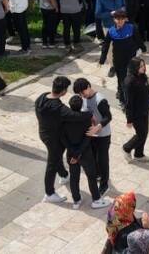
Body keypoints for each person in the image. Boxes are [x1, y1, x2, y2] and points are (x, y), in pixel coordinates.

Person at [36, 75, 100, 203]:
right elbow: (75, 116)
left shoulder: (42, 97)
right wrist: (89, 115)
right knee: (52, 162)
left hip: (43, 133)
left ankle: (64, 175)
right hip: (53, 139)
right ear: (64, 91)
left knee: (56, 156)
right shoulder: (59, 108)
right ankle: (49, 193)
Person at [61, 94, 112, 210]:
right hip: (85, 153)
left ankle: (76, 200)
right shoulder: (86, 118)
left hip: (71, 153)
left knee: (74, 177)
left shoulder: (64, 120)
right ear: (81, 106)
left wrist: (73, 153)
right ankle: (96, 200)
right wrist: (78, 154)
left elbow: (63, 138)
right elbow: (87, 138)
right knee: (91, 176)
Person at [75, 78, 113, 197]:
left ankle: (104, 184)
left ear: (88, 86)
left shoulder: (100, 100)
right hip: (92, 135)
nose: (82, 95)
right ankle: (98, 175)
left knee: (103, 160)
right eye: (79, 94)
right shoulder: (84, 99)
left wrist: (98, 127)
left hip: (103, 135)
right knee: (94, 158)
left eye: (82, 92)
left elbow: (108, 117)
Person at [122, 58, 149, 161]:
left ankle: (139, 154)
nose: (143, 68)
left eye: (144, 65)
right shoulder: (129, 82)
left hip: (144, 109)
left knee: (145, 132)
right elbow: (128, 102)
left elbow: (147, 92)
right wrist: (129, 119)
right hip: (136, 113)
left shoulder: (143, 77)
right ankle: (127, 148)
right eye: (141, 66)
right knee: (141, 134)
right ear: (134, 67)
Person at [108, 9, 139, 102]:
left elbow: (137, 39)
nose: (120, 21)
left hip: (130, 59)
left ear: (125, 19)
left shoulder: (131, 28)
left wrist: (142, 48)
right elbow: (106, 46)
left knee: (130, 78)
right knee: (121, 79)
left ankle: (129, 93)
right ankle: (122, 97)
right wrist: (102, 59)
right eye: (118, 19)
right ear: (114, 20)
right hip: (118, 61)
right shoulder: (111, 31)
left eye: (122, 19)